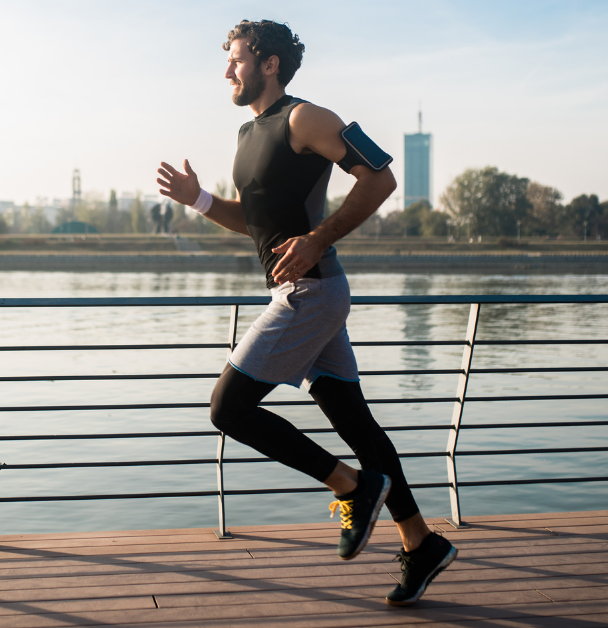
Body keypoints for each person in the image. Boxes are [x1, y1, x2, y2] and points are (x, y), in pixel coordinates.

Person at [156, 19, 457, 607]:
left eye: (237, 59)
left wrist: (319, 238)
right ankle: (419, 541)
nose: (227, 71)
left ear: (269, 63)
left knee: (228, 407)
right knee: (353, 420)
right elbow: (258, 221)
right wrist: (198, 199)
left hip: (312, 293)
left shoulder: (306, 118)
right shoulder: (249, 133)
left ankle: (350, 486)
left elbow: (381, 176)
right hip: (300, 293)